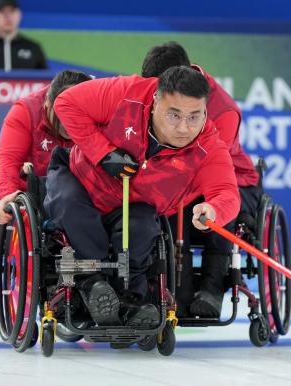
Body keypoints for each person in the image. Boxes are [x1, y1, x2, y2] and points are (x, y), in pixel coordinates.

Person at [45, 66, 240, 329]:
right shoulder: (128, 93)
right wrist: (103, 153)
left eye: (195, 117)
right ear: (156, 100)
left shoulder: (209, 145)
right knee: (71, 206)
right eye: (174, 115)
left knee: (143, 226)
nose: (184, 128)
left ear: (205, 109)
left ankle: (130, 299)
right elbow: (66, 102)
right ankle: (91, 284)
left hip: (131, 205)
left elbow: (227, 192)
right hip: (80, 180)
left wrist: (214, 209)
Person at [141, 41, 262, 317]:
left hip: (232, 180)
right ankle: (171, 290)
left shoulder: (224, 111)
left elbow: (213, 170)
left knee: (216, 204)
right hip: (177, 179)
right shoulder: (153, 96)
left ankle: (212, 287)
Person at [0, 69, 92, 225]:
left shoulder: (99, 109)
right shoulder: (25, 111)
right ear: (47, 103)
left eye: (78, 114)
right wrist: (9, 196)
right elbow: (7, 159)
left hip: (81, 197)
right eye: (62, 114)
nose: (69, 124)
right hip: (36, 197)